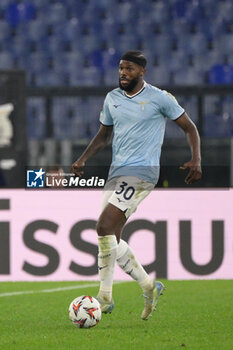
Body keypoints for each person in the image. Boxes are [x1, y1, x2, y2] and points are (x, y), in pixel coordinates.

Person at [71, 50, 202, 320]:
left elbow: (189, 128)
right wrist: (83, 158)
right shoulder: (112, 99)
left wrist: (196, 159)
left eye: (129, 69)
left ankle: (105, 297)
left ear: (142, 71)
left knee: (103, 226)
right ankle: (149, 286)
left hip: (143, 172)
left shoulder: (160, 98)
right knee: (109, 237)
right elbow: (103, 135)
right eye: (120, 68)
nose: (123, 73)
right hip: (116, 173)